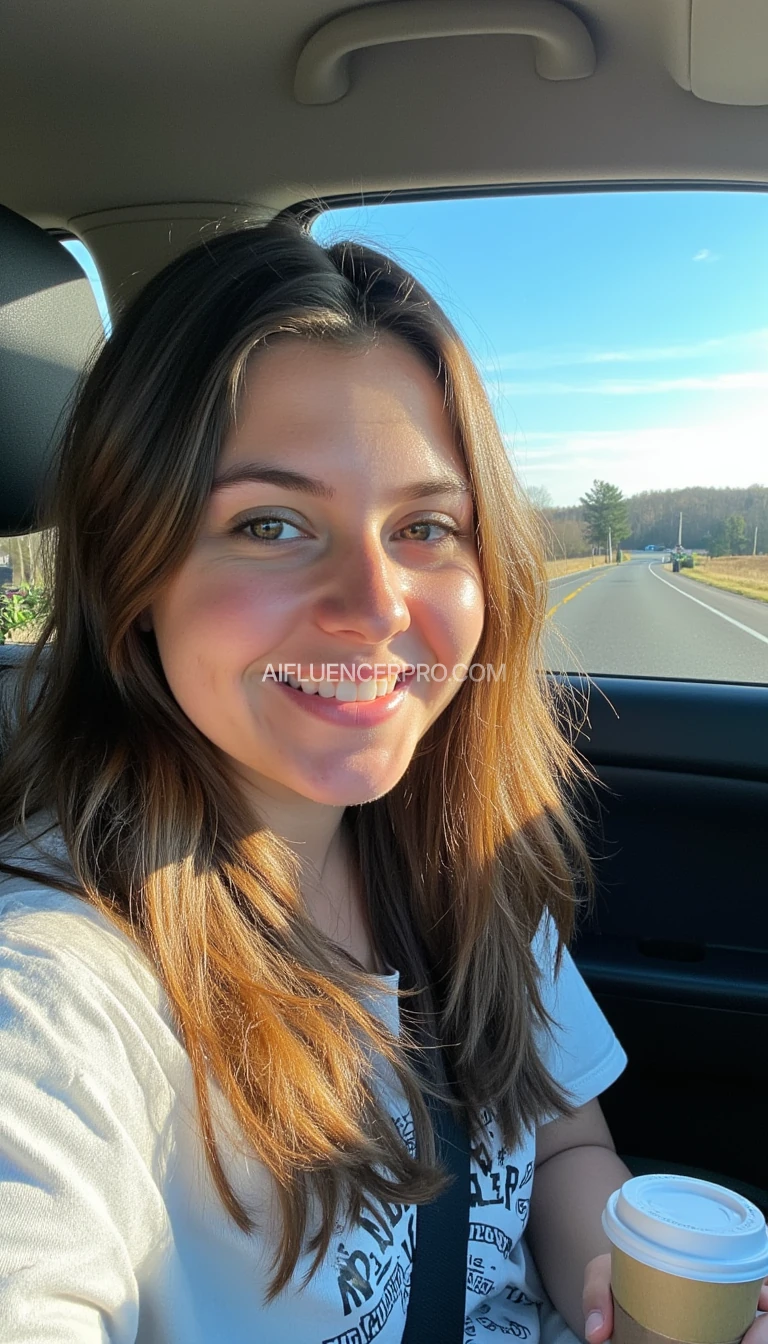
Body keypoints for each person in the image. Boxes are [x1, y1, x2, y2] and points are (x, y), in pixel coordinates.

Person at [1, 219, 764, 1343]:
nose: (374, 604)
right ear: (136, 571)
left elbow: (564, 1141)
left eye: (423, 526)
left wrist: (613, 1279)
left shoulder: (460, 860)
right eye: (270, 523)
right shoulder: (58, 991)